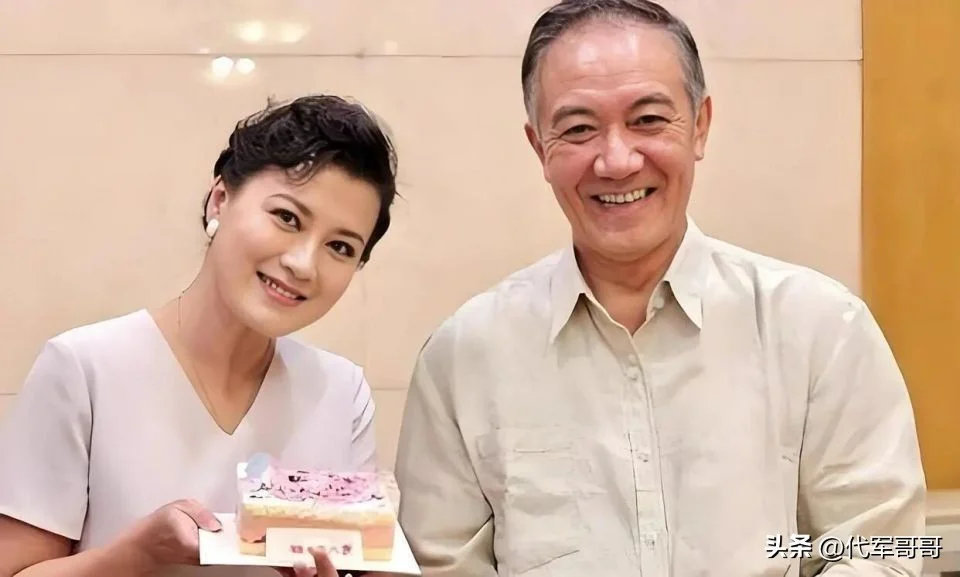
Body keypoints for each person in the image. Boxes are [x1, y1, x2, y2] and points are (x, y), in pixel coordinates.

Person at [393, 1, 926, 576]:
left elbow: (876, 548)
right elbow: (440, 564)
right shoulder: (464, 357)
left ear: (700, 125)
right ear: (539, 147)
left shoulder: (820, 328)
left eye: (648, 120)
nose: (617, 160)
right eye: (578, 129)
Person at [0, 95, 398, 577]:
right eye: (287, 218)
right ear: (220, 199)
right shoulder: (84, 369)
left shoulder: (341, 391)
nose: (303, 264)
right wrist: (138, 555)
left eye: (340, 247)